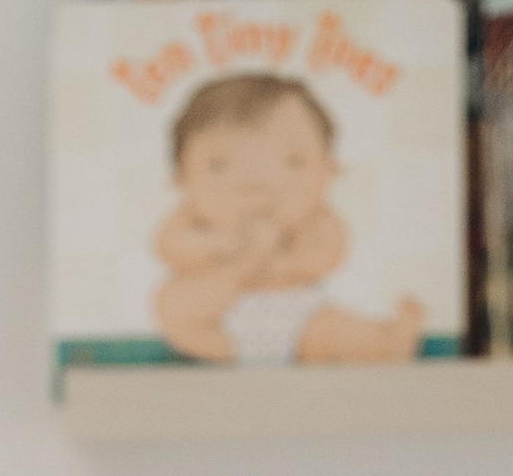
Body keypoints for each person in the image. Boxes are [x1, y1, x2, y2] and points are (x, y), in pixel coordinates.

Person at [150, 70, 428, 364]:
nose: (256, 184)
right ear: (181, 177)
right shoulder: (189, 219)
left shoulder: (317, 220)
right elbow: (170, 246)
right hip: (215, 323)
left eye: (291, 163)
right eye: (220, 166)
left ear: (328, 171)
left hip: (296, 314)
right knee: (175, 303)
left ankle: (383, 343)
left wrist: (285, 263)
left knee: (331, 332)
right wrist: (225, 246)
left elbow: (327, 253)